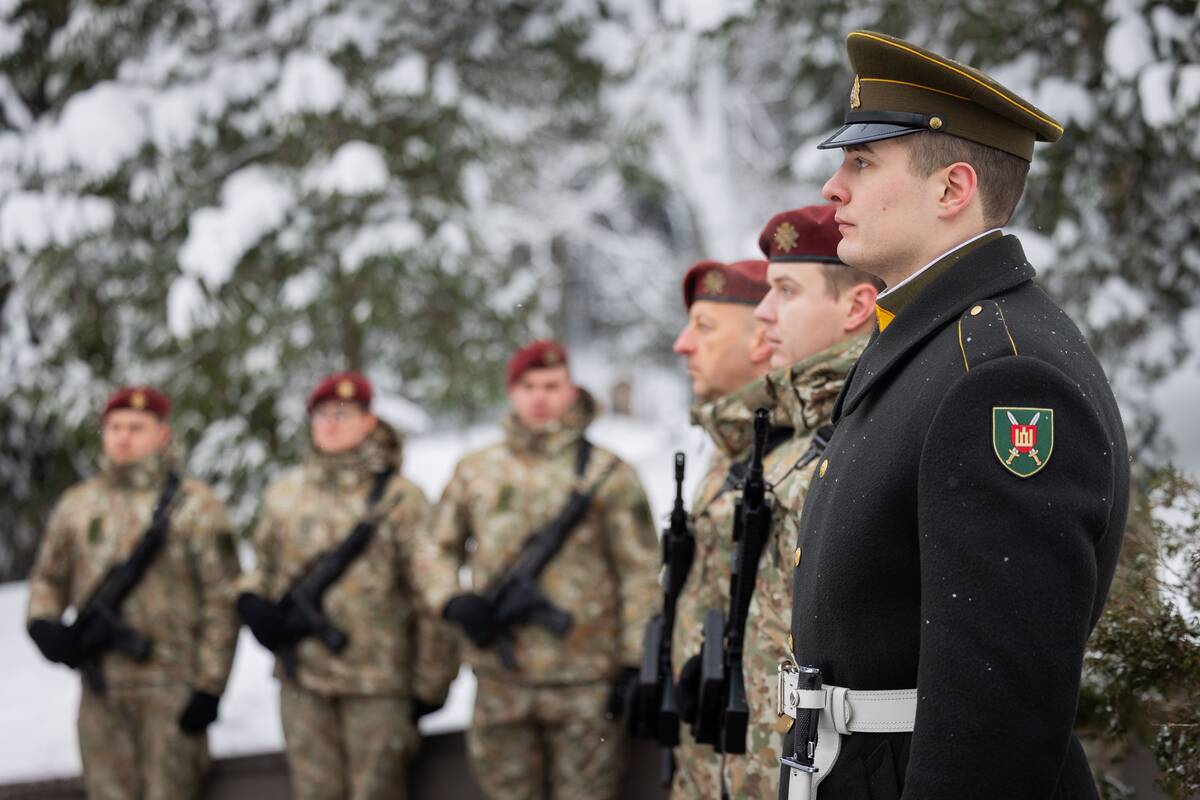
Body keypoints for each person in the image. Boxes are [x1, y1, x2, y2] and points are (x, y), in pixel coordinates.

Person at [776, 31, 1130, 799]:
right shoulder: (933, 341)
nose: (833, 189)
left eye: (862, 163)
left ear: (952, 189)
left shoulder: (1000, 374)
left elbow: (1000, 716)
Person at [691, 204, 881, 798]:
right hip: (757, 764)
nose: (765, 313)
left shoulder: (873, 431)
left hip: (823, 770)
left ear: (857, 306)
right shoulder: (789, 437)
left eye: (787, 291)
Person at [421, 339, 660, 800]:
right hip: (500, 678)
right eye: (528, 386)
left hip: (586, 680)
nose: (540, 397)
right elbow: (434, 547)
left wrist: (636, 661)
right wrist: (451, 599)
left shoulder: (609, 473)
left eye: (551, 386)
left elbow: (640, 570)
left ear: (571, 390)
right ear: (512, 392)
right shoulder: (476, 470)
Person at [238, 371, 456, 800]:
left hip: (377, 684)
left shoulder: (401, 498)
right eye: (321, 415)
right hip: (304, 682)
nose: (330, 424)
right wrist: (249, 599)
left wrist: (432, 682)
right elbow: (262, 567)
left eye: (342, 414)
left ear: (369, 420)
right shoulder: (285, 494)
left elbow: (430, 588)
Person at [26, 385, 240, 800]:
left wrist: (210, 687)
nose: (123, 437)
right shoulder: (78, 505)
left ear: (162, 433)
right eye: (115, 427)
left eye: (136, 428)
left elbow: (222, 601)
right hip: (101, 691)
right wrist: (42, 622)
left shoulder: (196, 506)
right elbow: (48, 578)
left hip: (172, 689)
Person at [668, 259, 774, 798]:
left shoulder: (804, 452)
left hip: (761, 760)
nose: (682, 344)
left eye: (704, 327)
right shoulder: (727, 449)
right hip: (707, 755)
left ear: (764, 336)